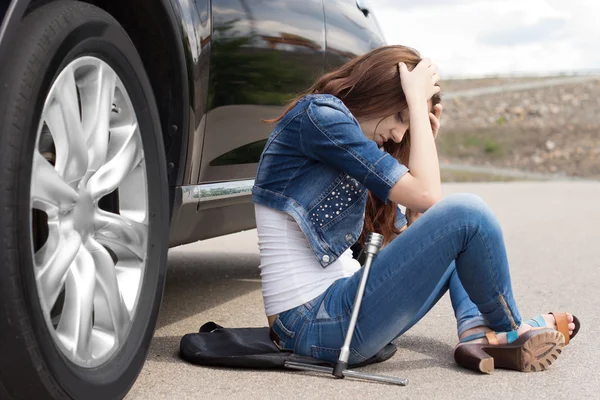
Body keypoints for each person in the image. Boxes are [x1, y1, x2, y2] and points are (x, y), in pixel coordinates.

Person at [251, 45, 579, 373]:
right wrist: (418, 112)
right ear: (377, 91)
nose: (398, 132)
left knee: (457, 237)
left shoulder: (347, 139)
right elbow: (429, 195)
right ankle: (510, 330)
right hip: (314, 321)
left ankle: (476, 333)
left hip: (342, 310)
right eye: (399, 117)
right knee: (469, 214)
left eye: (406, 124)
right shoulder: (319, 116)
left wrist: (417, 138)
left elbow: (412, 236)